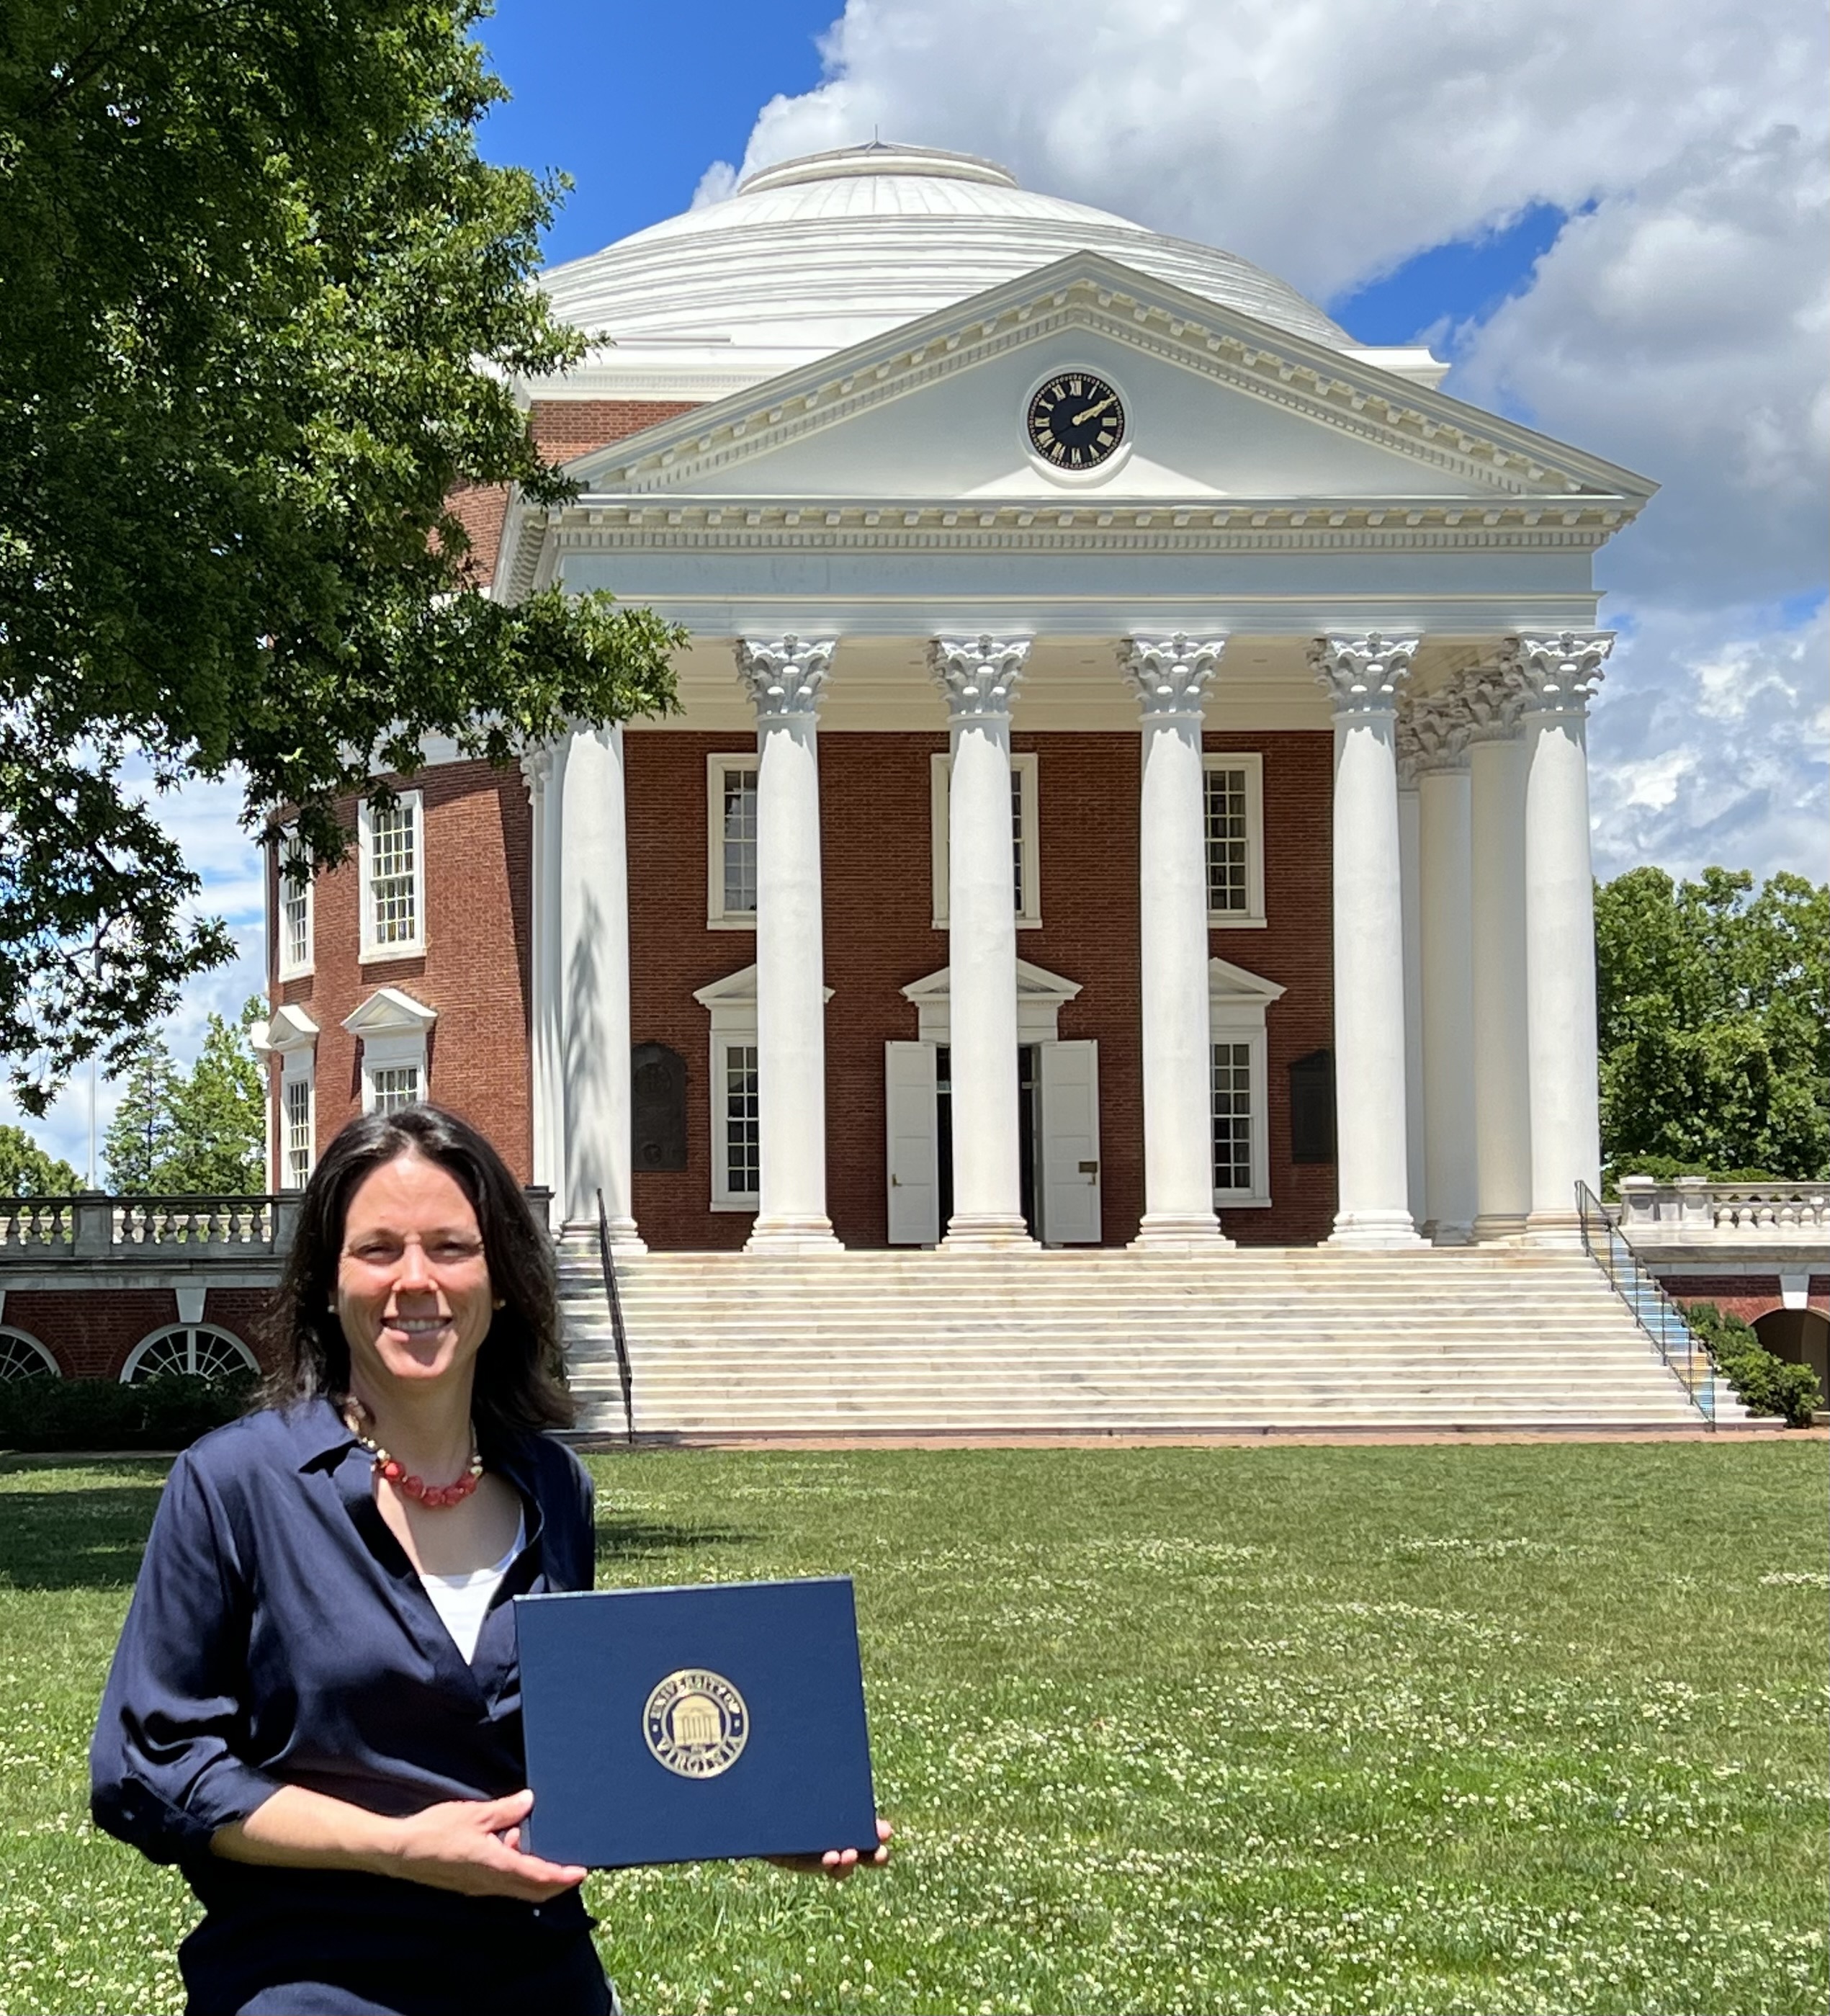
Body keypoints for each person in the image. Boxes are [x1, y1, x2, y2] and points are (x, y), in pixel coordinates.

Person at [90, 1105, 887, 2016]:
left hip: (535, 1975)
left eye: (451, 1248)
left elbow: (580, 1759)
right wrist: (394, 1845)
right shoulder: (234, 1486)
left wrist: (755, 1810)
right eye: (379, 1250)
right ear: (326, 1282)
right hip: (309, 1975)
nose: (416, 1281)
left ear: (501, 1278)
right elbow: (158, 1769)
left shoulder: (555, 1488)